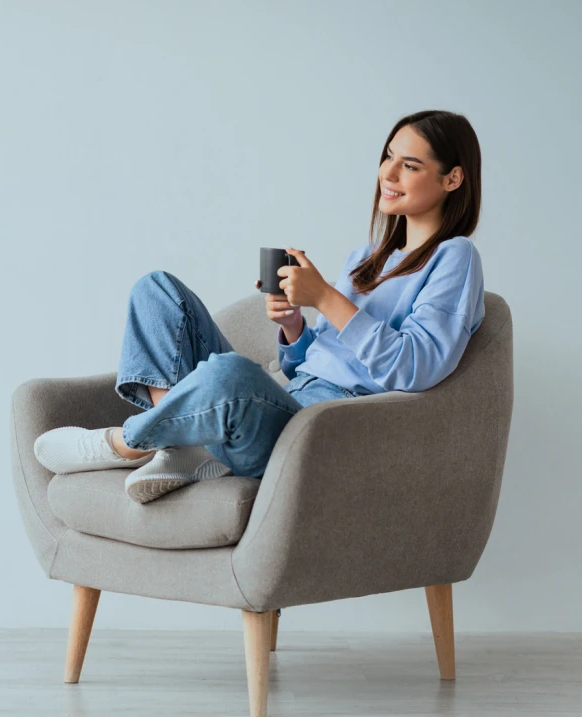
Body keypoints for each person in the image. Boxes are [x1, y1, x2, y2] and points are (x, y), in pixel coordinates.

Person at [35, 109, 485, 504]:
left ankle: (130, 443)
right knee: (156, 290)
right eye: (387, 157)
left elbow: (417, 368)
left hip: (320, 430)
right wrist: (294, 326)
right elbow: (305, 365)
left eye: (409, 165)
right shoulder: (366, 258)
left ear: (452, 178)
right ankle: (179, 447)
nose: (388, 174)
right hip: (287, 400)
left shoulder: (455, 257)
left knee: (228, 372)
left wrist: (326, 298)